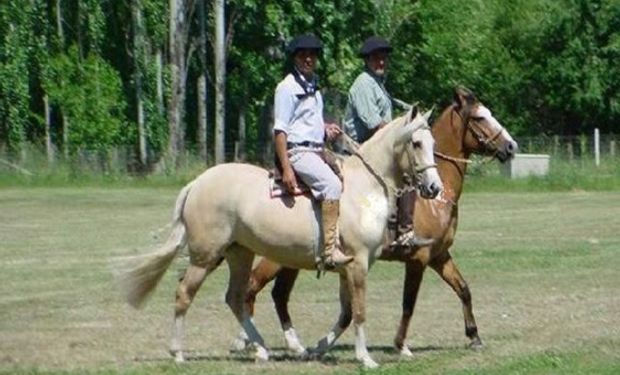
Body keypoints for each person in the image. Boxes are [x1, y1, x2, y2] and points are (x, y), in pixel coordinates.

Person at [273, 34, 353, 270]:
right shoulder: (287, 87)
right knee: (332, 185)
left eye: (312, 54)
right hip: (298, 153)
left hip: (317, 149)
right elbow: (280, 130)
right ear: (295, 58)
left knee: (350, 176)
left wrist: (325, 129)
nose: (308, 58)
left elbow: (307, 124)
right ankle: (329, 252)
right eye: (303, 54)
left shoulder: (314, 87)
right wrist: (286, 166)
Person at [343, 36, 430, 251]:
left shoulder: (379, 85)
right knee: (408, 173)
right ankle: (402, 232)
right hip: (362, 145)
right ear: (367, 60)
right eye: (376, 59)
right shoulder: (363, 83)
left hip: (377, 142)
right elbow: (374, 124)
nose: (381, 62)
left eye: (384, 58)